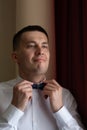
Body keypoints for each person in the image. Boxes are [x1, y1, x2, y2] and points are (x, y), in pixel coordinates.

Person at [0, 25, 85, 130]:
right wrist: (15, 109)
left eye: (44, 46)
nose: (40, 51)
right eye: (31, 45)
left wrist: (60, 110)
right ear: (15, 57)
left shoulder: (65, 95)